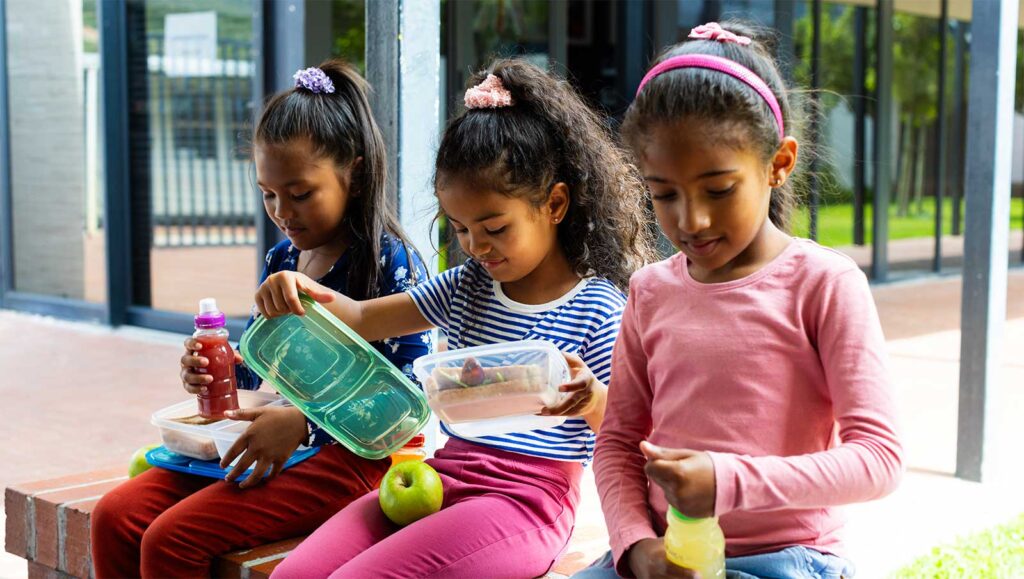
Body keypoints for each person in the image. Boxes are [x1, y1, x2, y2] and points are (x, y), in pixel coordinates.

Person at [266, 58, 658, 578]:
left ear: (555, 204)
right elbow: (360, 317)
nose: (476, 246)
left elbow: (632, 434)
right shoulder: (466, 286)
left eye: (494, 227)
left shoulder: (599, 308)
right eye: (461, 228)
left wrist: (593, 397)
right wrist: (303, 290)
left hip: (529, 500)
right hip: (443, 474)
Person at [576, 21, 903, 579]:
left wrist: (728, 483)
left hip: (787, 559)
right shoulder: (650, 290)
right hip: (664, 554)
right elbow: (618, 443)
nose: (690, 220)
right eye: (664, 194)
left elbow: (879, 459)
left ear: (778, 164)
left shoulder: (824, 283)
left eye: (719, 190)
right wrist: (635, 546)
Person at [90, 60, 431, 578]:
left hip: (352, 463)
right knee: (114, 516)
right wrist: (217, 371)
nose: (282, 211)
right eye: (268, 194)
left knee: (170, 539)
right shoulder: (282, 261)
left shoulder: (390, 263)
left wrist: (302, 423)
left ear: (354, 175)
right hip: (272, 448)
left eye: (300, 194)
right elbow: (260, 374)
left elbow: (408, 397)